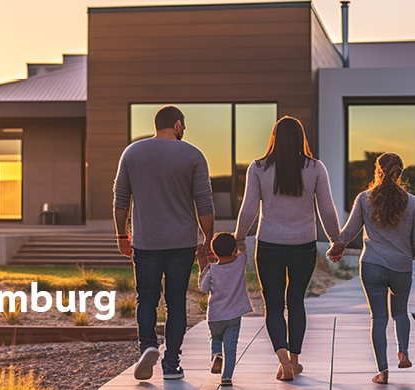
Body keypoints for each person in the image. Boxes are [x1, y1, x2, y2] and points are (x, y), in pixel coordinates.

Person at [113, 105, 216, 381]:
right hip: (181, 243)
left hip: (145, 241)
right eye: (184, 125)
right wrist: (207, 239)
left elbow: (120, 198)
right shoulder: (193, 155)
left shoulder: (132, 152)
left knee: (146, 298)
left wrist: (122, 235)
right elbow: (204, 203)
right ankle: (171, 364)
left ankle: (147, 346)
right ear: (178, 124)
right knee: (175, 302)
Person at [234, 116, 340, 381]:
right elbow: (326, 208)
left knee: (273, 305)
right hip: (303, 246)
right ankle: (293, 360)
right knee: (296, 302)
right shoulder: (315, 168)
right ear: (300, 138)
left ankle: (282, 360)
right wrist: (336, 240)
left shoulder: (258, 168)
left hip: (268, 244)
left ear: (274, 137)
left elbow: (248, 208)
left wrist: (238, 238)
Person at [328, 152, 415, 385]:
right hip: (401, 266)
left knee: (378, 318)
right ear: (400, 173)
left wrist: (335, 248)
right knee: (400, 312)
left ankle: (383, 372)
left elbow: (348, 232)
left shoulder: (364, 199)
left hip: (372, 265)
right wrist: (405, 256)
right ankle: (403, 353)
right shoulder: (414, 203)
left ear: (377, 171)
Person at [199, 232, 254, 387]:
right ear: (234, 249)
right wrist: (239, 244)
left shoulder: (212, 269)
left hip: (215, 315)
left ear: (214, 251)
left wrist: (203, 269)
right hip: (233, 316)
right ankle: (226, 377)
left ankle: (216, 356)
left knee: (215, 339)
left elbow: (203, 287)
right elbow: (242, 251)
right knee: (230, 347)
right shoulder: (240, 261)